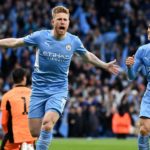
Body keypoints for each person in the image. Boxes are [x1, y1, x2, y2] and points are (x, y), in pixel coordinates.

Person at [0, 6, 119, 150]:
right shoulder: (40, 36)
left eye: (65, 20)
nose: (62, 22)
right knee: (34, 131)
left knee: (48, 123)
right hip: (38, 90)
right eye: (59, 19)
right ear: (53, 22)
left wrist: (104, 65)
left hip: (58, 90)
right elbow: (16, 42)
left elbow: (87, 56)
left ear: (68, 22)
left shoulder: (73, 41)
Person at [126, 24, 150, 150]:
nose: (149, 32)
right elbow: (131, 76)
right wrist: (129, 67)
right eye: (149, 29)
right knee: (144, 129)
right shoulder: (143, 50)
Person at [1, 68, 35, 150]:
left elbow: (4, 122)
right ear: (24, 78)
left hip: (14, 135)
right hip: (30, 135)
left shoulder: (7, 96)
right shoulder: (33, 94)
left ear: (13, 79)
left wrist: (8, 133)